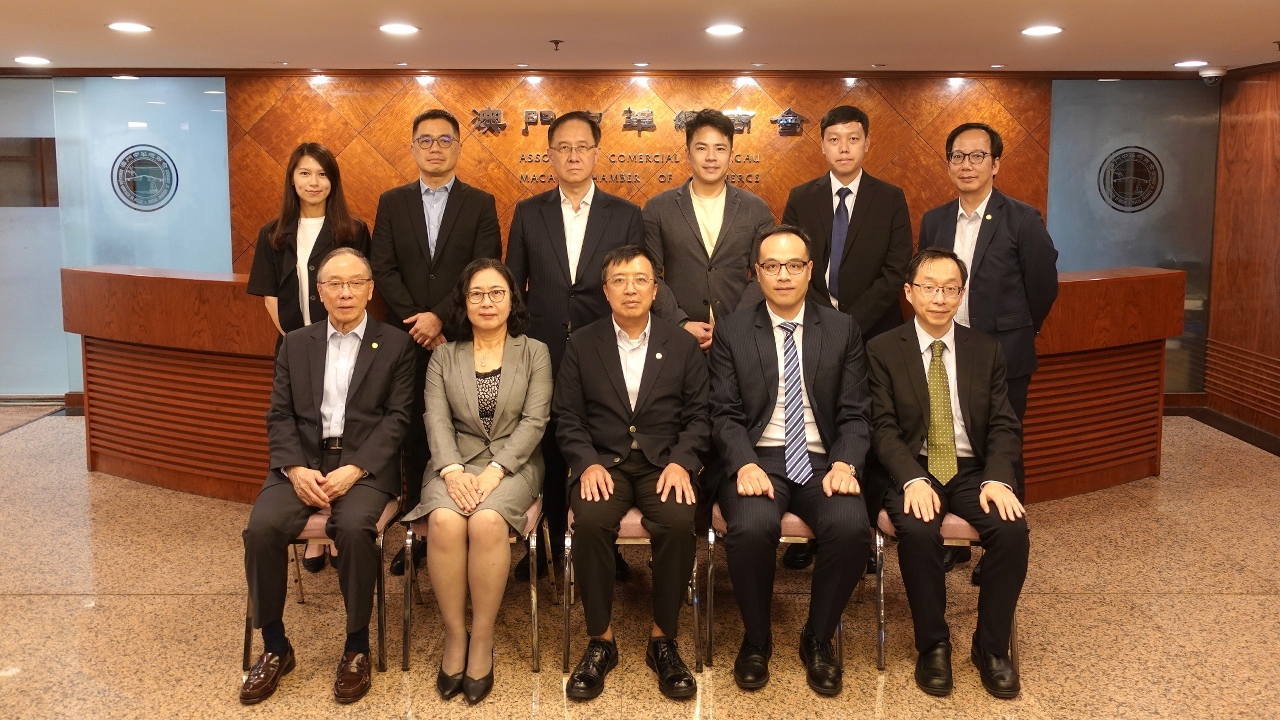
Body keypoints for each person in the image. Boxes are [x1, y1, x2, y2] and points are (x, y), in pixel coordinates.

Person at [506, 110, 684, 581]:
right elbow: (514, 285)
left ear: (596, 153)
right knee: (548, 444)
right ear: (550, 155)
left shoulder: (624, 214)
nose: (573, 156)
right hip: (542, 347)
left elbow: (634, 281)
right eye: (563, 148)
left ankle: (605, 545)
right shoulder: (528, 212)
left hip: (604, 348)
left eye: (582, 147)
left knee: (604, 441)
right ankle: (544, 548)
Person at [240, 248, 416, 706]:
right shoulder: (296, 343)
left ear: (370, 290)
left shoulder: (395, 344)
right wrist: (294, 467)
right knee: (261, 529)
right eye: (334, 283)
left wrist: (355, 469)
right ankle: (275, 646)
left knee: (355, 529)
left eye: (355, 283)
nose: (345, 292)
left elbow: (398, 418)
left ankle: (356, 646)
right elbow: (279, 413)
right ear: (319, 292)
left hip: (364, 465)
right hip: (301, 462)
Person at [709, 225, 872, 696]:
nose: (783, 275)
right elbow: (723, 413)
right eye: (772, 266)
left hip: (823, 459)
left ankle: (818, 638)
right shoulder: (734, 330)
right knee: (751, 526)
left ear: (810, 270)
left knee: (850, 526)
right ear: (757, 273)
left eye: (794, 265)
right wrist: (743, 463)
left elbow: (856, 412)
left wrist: (845, 463)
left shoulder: (841, 328)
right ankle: (756, 639)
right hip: (757, 456)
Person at [750, 105, 911, 569]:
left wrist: (850, 322)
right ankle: (813, 532)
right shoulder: (803, 196)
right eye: (835, 139)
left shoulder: (890, 197)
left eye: (853, 139)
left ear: (867, 144)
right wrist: (824, 317)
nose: (844, 148)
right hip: (810, 325)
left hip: (874, 331)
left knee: (860, 424)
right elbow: (795, 263)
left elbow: (896, 268)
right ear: (821, 145)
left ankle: (856, 532)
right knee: (816, 416)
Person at [866, 247, 1028, 700]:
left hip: (973, 470)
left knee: (1012, 529)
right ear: (909, 292)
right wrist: (911, 478)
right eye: (929, 288)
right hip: (912, 468)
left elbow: (1004, 424)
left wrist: (998, 477)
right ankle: (933, 644)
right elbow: (882, 428)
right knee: (918, 530)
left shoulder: (985, 349)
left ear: (961, 294)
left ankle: (990, 647)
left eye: (950, 289)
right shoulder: (882, 349)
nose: (939, 298)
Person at [553, 245, 708, 700]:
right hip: (605, 462)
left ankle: (663, 640)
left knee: (678, 521)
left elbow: (700, 416)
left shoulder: (681, 343)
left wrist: (682, 461)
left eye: (640, 279)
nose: (630, 289)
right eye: (619, 280)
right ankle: (601, 640)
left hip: (665, 464)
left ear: (655, 289)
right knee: (591, 521)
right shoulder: (582, 343)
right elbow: (567, 416)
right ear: (605, 291)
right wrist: (586, 461)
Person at [400, 259, 552, 705]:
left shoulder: (535, 352)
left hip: (514, 463)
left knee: (486, 522)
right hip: (452, 462)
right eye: (477, 294)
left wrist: (495, 470)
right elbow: (436, 419)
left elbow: (535, 420)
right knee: (445, 521)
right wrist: (450, 470)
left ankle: (482, 637)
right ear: (463, 303)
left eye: (497, 293)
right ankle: (455, 635)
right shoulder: (444, 356)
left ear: (512, 300)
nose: (487, 302)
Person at [917, 122, 1057, 575]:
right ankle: (953, 541)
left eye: (978, 156)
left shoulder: (1022, 218)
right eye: (958, 156)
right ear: (948, 164)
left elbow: (1043, 286)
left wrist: (1016, 331)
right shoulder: (935, 220)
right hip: (943, 353)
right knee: (946, 440)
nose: (967, 165)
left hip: (1003, 357)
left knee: (1002, 446)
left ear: (995, 164)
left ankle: (1000, 547)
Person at [370, 109, 503, 576]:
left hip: (461, 336)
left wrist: (439, 316)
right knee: (412, 434)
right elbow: (382, 267)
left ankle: (463, 520)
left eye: (444, 140)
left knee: (462, 428)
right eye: (425, 140)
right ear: (412, 148)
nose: (434, 148)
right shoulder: (392, 202)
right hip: (405, 341)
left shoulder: (480, 202)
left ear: (459, 147)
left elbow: (483, 267)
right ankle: (418, 533)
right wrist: (417, 321)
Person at [246, 142, 371, 573]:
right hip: (295, 346)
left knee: (341, 423)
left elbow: (359, 288)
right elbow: (268, 295)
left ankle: (337, 526)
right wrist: (299, 341)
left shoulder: (352, 230)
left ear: (332, 181)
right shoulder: (273, 233)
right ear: (292, 179)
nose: (313, 182)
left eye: (322, 174)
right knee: (304, 429)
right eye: (304, 173)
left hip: (345, 343)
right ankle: (312, 532)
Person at [643, 108, 775, 351]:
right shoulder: (658, 208)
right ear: (688, 154)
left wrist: (734, 326)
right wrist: (680, 322)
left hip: (742, 338)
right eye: (702, 148)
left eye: (720, 149)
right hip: (677, 340)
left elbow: (764, 273)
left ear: (731, 155)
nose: (711, 157)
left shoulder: (756, 209)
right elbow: (649, 274)